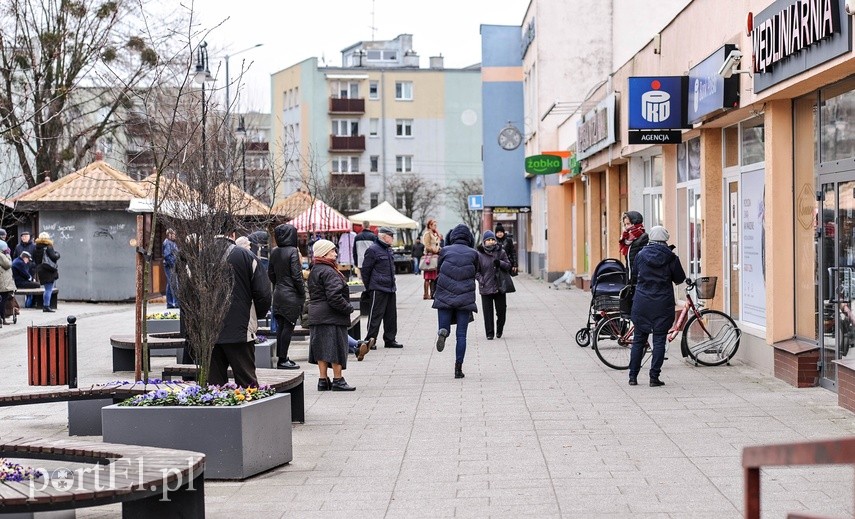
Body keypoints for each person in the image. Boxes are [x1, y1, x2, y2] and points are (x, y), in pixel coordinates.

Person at [209, 233, 272, 388]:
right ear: (233, 234)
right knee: (247, 383)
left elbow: (187, 295)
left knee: (214, 387)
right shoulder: (246, 255)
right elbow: (263, 293)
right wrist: (256, 316)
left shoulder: (199, 256)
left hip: (208, 330)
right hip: (241, 328)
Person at [628, 225, 686, 387]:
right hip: (662, 302)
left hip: (642, 302)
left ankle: (633, 376)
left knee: (639, 340)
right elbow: (679, 278)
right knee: (659, 339)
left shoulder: (640, 255)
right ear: (665, 239)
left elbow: (634, 274)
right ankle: (654, 377)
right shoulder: (671, 258)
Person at [308, 239, 357, 391]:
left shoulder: (315, 269)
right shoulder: (329, 271)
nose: (335, 254)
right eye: (332, 251)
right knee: (335, 348)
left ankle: (323, 380)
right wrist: (348, 308)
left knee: (321, 349)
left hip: (317, 314)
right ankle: (338, 379)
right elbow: (334, 297)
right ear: (323, 253)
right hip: (331, 316)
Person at [433, 224, 479, 379]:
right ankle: (458, 369)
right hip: (465, 297)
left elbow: (439, 269)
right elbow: (476, 271)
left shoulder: (445, 251)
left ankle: (442, 331)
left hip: (444, 294)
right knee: (462, 335)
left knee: (444, 325)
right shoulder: (473, 253)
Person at [268, 224, 306, 370]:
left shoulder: (274, 252)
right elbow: (297, 276)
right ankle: (283, 359)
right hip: (291, 295)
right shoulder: (293, 251)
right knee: (288, 328)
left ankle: (282, 357)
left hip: (278, 293)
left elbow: (270, 273)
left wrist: (279, 284)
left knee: (281, 328)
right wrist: (301, 292)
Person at [362, 227, 403, 348]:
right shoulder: (372, 250)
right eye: (391, 236)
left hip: (390, 287)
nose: (393, 238)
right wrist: (369, 287)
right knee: (375, 315)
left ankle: (390, 339)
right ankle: (370, 340)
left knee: (391, 316)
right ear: (384, 236)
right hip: (378, 288)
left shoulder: (388, 250)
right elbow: (366, 270)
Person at [476, 230, 512, 340]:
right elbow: (476, 271)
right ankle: (490, 333)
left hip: (499, 286)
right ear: (484, 242)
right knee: (488, 312)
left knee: (501, 311)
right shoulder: (479, 254)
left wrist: (499, 263)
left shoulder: (501, 252)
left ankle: (499, 329)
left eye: (492, 240)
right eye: (488, 240)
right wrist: (481, 280)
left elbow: (508, 265)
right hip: (485, 286)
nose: (491, 242)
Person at [33, 232, 59, 313]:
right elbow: (54, 257)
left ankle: (46, 305)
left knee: (46, 288)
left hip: (41, 269)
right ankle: (46, 306)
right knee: (49, 289)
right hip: (48, 269)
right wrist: (58, 254)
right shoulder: (48, 247)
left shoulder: (36, 248)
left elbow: (35, 259)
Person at [619, 211, 648, 283]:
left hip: (639, 275)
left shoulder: (643, 236)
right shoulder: (627, 238)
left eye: (628, 224)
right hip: (629, 274)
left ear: (635, 223)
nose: (626, 227)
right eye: (625, 224)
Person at [422, 219, 442, 299]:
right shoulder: (427, 234)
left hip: (434, 257)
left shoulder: (435, 234)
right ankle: (426, 294)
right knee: (427, 277)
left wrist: (439, 249)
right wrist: (435, 250)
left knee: (433, 277)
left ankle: (432, 293)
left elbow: (436, 244)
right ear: (430, 225)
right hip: (429, 257)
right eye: (434, 225)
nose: (435, 227)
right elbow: (427, 246)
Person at [162, 228, 179, 309]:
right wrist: (173, 264)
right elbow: (167, 255)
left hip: (172, 265)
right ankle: (175, 302)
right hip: (170, 266)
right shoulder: (167, 243)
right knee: (173, 284)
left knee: (170, 284)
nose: (175, 236)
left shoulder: (172, 243)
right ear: (169, 234)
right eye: (174, 234)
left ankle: (170, 303)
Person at [0, 242, 14, 326]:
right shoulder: (1, 255)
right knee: (3, 301)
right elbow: (8, 264)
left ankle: (2, 318)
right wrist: (8, 255)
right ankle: (2, 318)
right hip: (3, 282)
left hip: (3, 281)